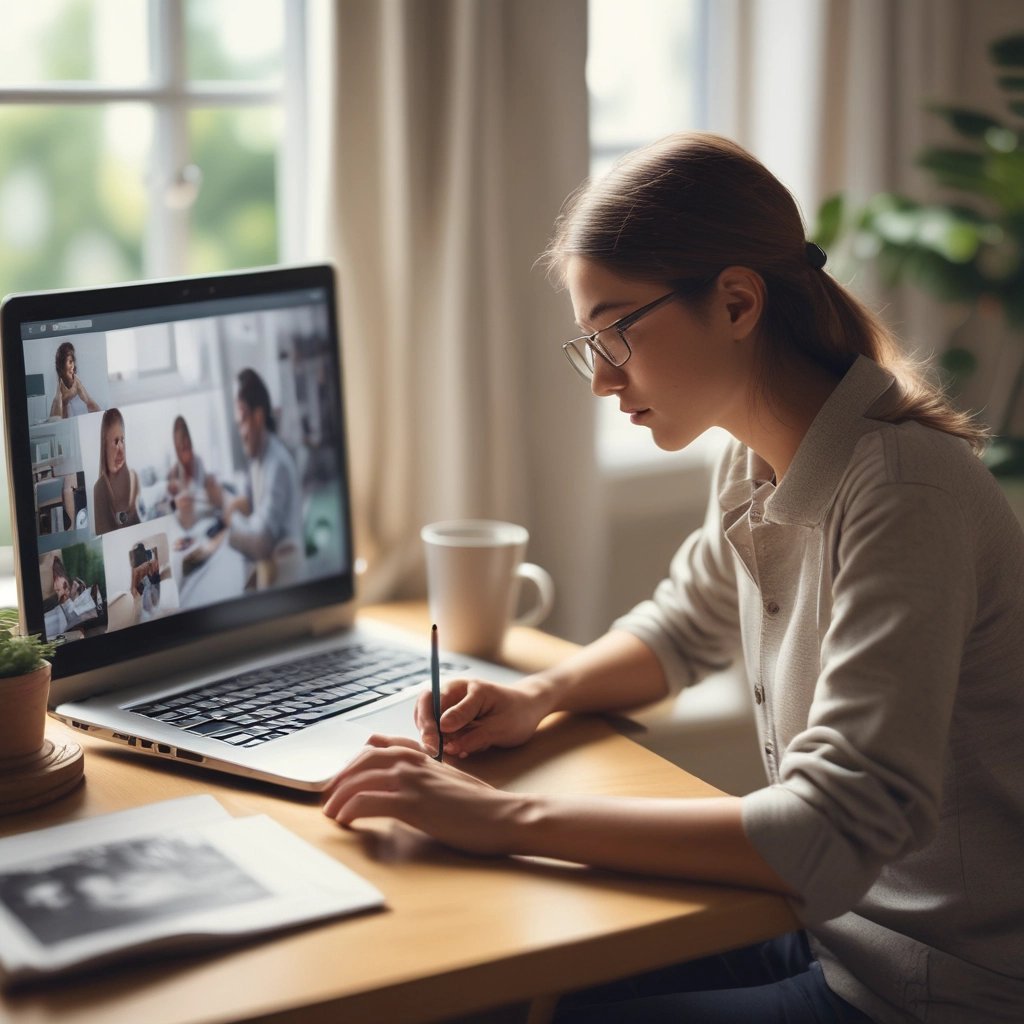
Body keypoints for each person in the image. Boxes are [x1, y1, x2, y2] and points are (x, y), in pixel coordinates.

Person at [321, 133, 1024, 1023]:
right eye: (589, 343)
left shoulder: (903, 495)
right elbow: (687, 624)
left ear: (737, 302)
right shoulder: (756, 456)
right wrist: (537, 694)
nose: (602, 380)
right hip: (828, 924)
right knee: (519, 969)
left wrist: (501, 818)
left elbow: (832, 830)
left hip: (927, 984)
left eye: (616, 331)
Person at [223, 368, 302, 586]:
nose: (241, 431)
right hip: (269, 568)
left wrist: (231, 525)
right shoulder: (257, 457)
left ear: (258, 417)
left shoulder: (277, 465)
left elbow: (260, 543)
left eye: (243, 420)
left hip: (286, 576)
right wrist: (230, 505)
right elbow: (248, 500)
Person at [166, 415, 223, 527]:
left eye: (186, 444)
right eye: (181, 447)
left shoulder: (198, 462)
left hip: (204, 517)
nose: (185, 450)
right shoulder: (174, 472)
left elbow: (203, 494)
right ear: (177, 448)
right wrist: (174, 502)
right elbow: (170, 508)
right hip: (187, 522)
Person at [92, 408, 140, 535]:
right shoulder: (100, 489)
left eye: (122, 440)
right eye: (115, 442)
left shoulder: (134, 477)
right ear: (105, 446)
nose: (120, 449)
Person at [49, 341, 100, 418]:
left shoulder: (76, 382)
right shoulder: (59, 392)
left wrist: (102, 417)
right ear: (62, 366)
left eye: (73, 361)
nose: (72, 366)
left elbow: (89, 402)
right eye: (70, 362)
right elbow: (55, 421)